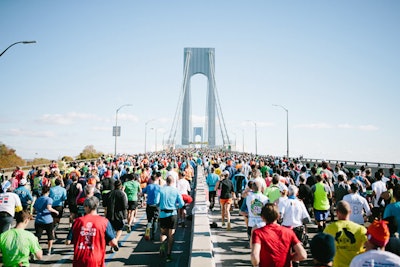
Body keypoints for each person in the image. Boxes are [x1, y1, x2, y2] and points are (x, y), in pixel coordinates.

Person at [66, 196, 118, 267]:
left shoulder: (77, 221)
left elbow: (68, 241)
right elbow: (113, 242)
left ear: (86, 207)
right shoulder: (104, 222)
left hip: (79, 259)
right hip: (96, 259)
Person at [251, 203, 307, 267]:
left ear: (262, 217)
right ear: (278, 216)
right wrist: (288, 258)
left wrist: (256, 265)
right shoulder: (289, 232)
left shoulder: (258, 233)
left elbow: (255, 256)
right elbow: (303, 255)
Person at [323, 200, 367, 267]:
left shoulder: (329, 228)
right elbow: (370, 247)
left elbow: (322, 248)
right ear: (350, 212)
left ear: (337, 212)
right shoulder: (360, 229)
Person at [155, 175, 185, 262]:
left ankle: (162, 246)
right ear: (173, 182)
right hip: (172, 214)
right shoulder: (176, 190)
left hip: (163, 214)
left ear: (166, 182)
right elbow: (182, 203)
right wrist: (176, 206)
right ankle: (168, 254)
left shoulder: (161, 190)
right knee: (171, 235)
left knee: (163, 233)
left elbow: (156, 202)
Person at [239, 179, 269, 248]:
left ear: (252, 188)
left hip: (251, 223)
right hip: (263, 224)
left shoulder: (248, 198)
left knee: (253, 244)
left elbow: (241, 211)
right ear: (261, 188)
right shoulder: (266, 199)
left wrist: (249, 214)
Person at [33, 185, 59, 255]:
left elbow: (34, 208)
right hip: (48, 220)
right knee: (50, 236)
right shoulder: (49, 199)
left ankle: (35, 250)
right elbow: (49, 208)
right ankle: (49, 250)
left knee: (38, 236)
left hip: (38, 219)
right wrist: (56, 211)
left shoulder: (38, 199)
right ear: (48, 191)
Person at [106, 180, 128, 251]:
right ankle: (115, 241)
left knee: (112, 230)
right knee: (120, 229)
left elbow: (105, 204)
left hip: (110, 214)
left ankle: (113, 242)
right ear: (121, 186)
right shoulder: (122, 194)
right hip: (119, 214)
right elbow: (125, 206)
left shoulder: (109, 193)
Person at [142, 171, 161, 241]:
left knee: (149, 220)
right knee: (155, 220)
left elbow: (142, 192)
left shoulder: (148, 186)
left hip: (149, 205)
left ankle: (147, 233)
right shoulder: (159, 187)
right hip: (156, 205)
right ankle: (153, 235)